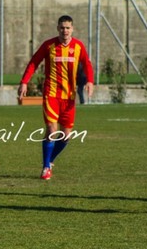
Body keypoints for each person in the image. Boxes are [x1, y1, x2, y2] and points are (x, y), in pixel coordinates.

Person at [18, 15, 94, 180]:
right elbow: (34, 62)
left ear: (72, 29)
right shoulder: (49, 45)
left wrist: (90, 81)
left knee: (66, 136)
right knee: (51, 130)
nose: (65, 30)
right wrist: (24, 82)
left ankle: (50, 160)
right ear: (57, 28)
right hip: (51, 94)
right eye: (62, 27)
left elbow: (87, 63)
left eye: (67, 27)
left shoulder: (78, 46)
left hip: (69, 97)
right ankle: (46, 167)